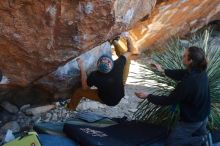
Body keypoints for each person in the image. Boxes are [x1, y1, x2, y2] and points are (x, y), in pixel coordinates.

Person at [135, 46, 210, 146]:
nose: (182, 57)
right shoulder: (201, 71)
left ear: (190, 61)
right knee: (201, 133)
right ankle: (205, 139)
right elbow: (182, 73)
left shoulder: (187, 83)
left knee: (173, 142)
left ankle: (203, 140)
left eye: (184, 56)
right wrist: (163, 71)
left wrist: (148, 96)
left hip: (193, 120)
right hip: (203, 114)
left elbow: (168, 100)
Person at [67, 35, 139, 110]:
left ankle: (70, 108)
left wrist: (82, 67)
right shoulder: (118, 65)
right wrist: (128, 38)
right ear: (112, 63)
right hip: (118, 94)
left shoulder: (95, 76)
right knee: (126, 60)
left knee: (79, 92)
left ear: (97, 66)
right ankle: (115, 42)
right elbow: (130, 51)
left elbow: (85, 88)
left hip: (107, 100)